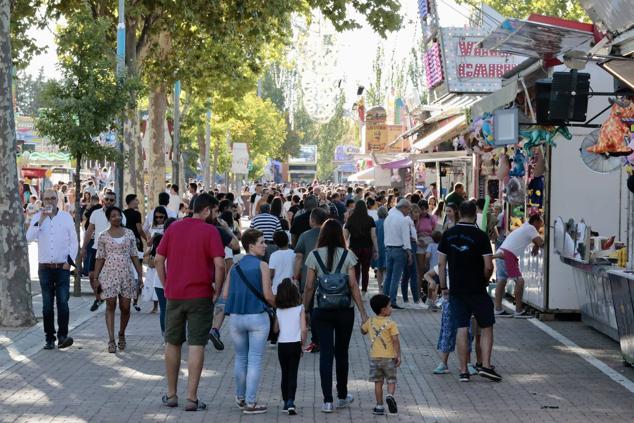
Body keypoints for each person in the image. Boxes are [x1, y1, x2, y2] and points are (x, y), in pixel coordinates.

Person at [155, 193, 226, 411]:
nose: (214, 216)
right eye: (214, 211)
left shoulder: (174, 228)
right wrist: (217, 290)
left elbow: (159, 259)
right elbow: (220, 264)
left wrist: (166, 284)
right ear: (206, 210)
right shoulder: (211, 231)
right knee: (196, 344)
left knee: (172, 342)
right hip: (200, 295)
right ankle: (192, 398)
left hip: (174, 295)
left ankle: (171, 393)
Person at [302, 219, 369, 413]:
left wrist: (304, 309)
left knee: (326, 354)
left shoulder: (314, 256)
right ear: (341, 235)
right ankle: (341, 395)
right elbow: (353, 285)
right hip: (344, 310)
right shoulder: (348, 255)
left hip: (321, 310)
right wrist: (363, 313)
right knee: (342, 353)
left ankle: (327, 400)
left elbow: (308, 286)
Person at [437, 201, 500, 382]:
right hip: (477, 289)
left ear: (458, 213)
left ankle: (463, 371)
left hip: (456, 289)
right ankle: (486, 365)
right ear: (475, 214)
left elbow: (441, 264)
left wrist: (443, 288)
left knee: (461, 327)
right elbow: (489, 266)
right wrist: (484, 281)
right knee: (486, 325)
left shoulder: (448, 234)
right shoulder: (480, 236)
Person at [223, 229, 275, 415]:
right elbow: (268, 295)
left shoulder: (235, 266)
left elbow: (226, 294)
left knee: (240, 358)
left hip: (236, 318)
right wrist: (279, 305)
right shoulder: (262, 266)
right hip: (257, 318)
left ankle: (240, 397)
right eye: (261, 242)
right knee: (255, 360)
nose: (265, 245)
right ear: (251, 245)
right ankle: (251, 402)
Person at [26, 189, 78, 350]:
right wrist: (41, 219)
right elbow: (29, 237)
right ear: (42, 200)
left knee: (63, 303)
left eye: (53, 198)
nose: (50, 201)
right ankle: (49, 338)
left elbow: (74, 241)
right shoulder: (37, 217)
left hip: (62, 267)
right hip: (45, 268)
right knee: (47, 305)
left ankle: (63, 336)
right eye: (47, 198)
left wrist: (69, 262)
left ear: (58, 200)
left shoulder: (66, 217)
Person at [93, 206, 144, 353]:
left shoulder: (129, 234)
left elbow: (134, 255)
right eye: (113, 216)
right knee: (110, 306)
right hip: (109, 275)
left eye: (119, 215)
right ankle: (111, 339)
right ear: (109, 218)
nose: (117, 218)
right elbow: (100, 257)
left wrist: (140, 275)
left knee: (125, 307)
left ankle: (121, 333)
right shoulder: (103, 236)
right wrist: (96, 277)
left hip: (127, 275)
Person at [81, 191, 127, 312]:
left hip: (113, 251)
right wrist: (83, 247)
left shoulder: (120, 215)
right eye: (107, 199)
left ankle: (111, 302)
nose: (109, 202)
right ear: (103, 200)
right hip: (96, 249)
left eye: (112, 200)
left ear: (115, 201)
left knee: (110, 277)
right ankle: (98, 298)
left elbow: (124, 233)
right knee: (91, 276)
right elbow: (89, 231)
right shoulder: (96, 213)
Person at [493, 214, 544, 318]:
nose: (540, 227)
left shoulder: (525, 227)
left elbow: (536, 241)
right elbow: (541, 242)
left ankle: (498, 309)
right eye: (540, 224)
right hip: (508, 256)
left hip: (501, 252)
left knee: (502, 281)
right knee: (520, 281)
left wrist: (536, 244)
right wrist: (537, 244)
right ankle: (518, 310)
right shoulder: (531, 228)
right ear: (536, 221)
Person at [293, 207, 329, 353]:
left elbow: (299, 257)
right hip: (328, 279)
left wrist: (295, 277)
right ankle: (325, 337)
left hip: (309, 277)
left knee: (311, 309)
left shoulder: (305, 235)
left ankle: (315, 340)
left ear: (312, 220)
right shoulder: (330, 235)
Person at [361, 294, 400, 416]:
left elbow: (363, 331)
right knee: (391, 380)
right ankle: (390, 396)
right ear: (383, 310)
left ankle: (379, 406)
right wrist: (398, 355)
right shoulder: (391, 323)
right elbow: (395, 341)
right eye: (389, 306)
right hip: (389, 358)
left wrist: (364, 320)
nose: (391, 308)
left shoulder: (370, 321)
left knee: (378, 382)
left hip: (375, 358)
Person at [274, 279, 307, 415]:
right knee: (293, 373)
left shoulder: (279, 310)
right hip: (295, 344)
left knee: (284, 373)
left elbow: (276, 329)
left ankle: (285, 400)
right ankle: (291, 402)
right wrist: (302, 344)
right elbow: (304, 329)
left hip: (282, 344)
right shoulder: (300, 309)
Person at [382, 199, 413, 309]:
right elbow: (405, 238)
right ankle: (393, 300)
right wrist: (409, 252)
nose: (408, 212)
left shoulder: (388, 217)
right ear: (403, 207)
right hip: (399, 250)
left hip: (388, 249)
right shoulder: (402, 219)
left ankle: (384, 299)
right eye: (408, 209)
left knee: (388, 276)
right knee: (396, 277)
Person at [343, 200, 378, 298]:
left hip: (354, 248)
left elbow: (345, 236)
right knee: (365, 271)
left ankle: (355, 290)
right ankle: (363, 292)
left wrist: (344, 248)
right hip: (367, 248)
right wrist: (376, 249)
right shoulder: (370, 219)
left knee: (355, 271)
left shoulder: (350, 219)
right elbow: (373, 236)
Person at [400, 204, 422, 308]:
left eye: (418, 212)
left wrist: (415, 241)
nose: (417, 215)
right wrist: (412, 241)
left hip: (412, 247)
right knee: (413, 274)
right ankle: (416, 300)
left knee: (407, 275)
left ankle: (406, 299)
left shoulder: (411, 222)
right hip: (409, 249)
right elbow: (404, 235)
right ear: (411, 212)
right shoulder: (407, 221)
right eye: (415, 212)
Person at [424, 231, 443, 311]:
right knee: (437, 286)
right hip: (440, 269)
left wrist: (426, 262)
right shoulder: (442, 246)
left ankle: (430, 302)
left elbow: (428, 255)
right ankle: (434, 303)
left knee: (431, 286)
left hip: (432, 269)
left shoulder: (431, 245)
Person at [372, 206, 388, 291]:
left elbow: (373, 236)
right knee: (386, 268)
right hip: (387, 247)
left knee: (379, 268)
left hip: (377, 247)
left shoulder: (375, 223)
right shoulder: (388, 222)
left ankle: (379, 288)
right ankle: (385, 284)